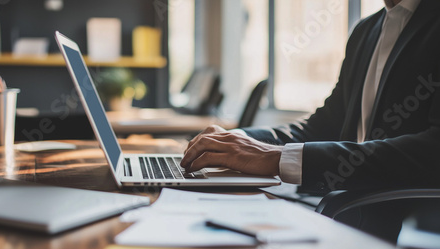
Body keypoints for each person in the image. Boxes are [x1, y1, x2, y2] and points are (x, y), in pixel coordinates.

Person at [181, 0, 440, 192]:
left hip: (401, 224)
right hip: (348, 207)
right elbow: (324, 126)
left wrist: (278, 157)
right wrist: (239, 140)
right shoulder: (366, 31)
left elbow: (432, 151)